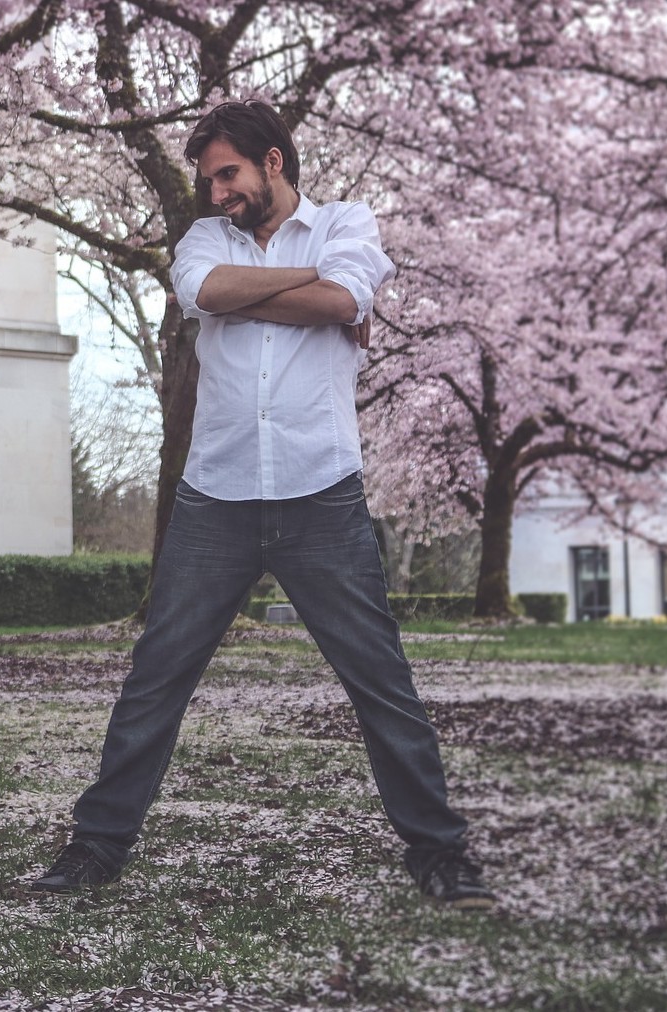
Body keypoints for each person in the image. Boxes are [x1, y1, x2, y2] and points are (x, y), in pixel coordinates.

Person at [29, 101, 495, 910]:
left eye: (228, 173)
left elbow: (344, 303)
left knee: (381, 680)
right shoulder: (206, 239)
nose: (216, 192)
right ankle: (96, 846)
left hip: (323, 495)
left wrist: (290, 295)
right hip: (217, 496)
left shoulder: (347, 219)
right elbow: (207, 288)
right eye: (209, 177)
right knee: (156, 678)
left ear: (273, 161)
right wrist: (308, 284)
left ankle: (440, 853)